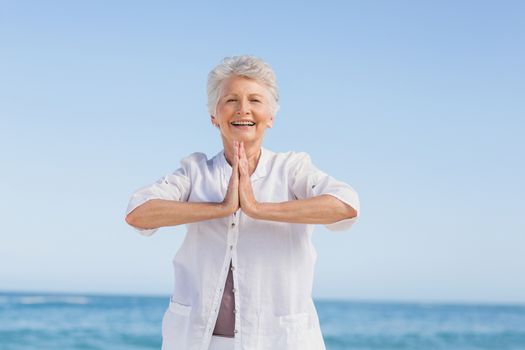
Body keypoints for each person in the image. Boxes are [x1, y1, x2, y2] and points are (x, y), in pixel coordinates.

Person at [125, 55, 360, 350]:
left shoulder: (292, 169)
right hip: (197, 340)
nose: (243, 109)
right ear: (214, 115)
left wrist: (258, 209)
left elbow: (345, 205)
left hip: (281, 341)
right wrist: (221, 208)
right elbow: (138, 213)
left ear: (271, 116)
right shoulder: (195, 171)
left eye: (255, 100)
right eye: (231, 100)